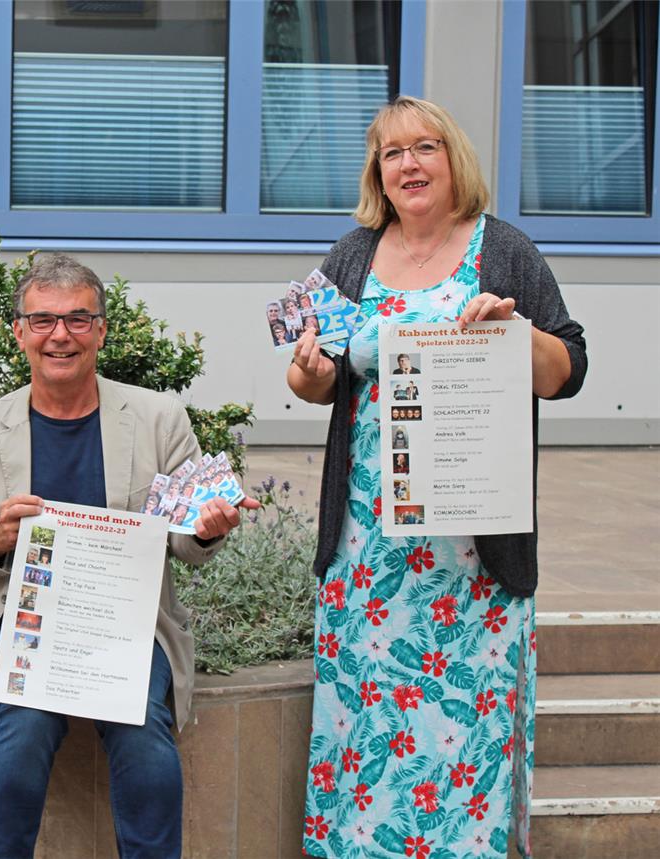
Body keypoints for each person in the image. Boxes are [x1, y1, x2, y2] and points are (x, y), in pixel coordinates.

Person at [286, 96, 586, 859]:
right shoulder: (350, 257)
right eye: (393, 153)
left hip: (470, 561)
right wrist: (307, 372)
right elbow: (317, 382)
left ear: (455, 161)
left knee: (466, 740)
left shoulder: (505, 250)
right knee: (369, 730)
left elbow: (568, 370)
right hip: (366, 555)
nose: (409, 164)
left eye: (426, 148)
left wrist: (517, 335)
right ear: (378, 173)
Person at [0, 254, 258, 859]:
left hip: (125, 624)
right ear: (18, 331)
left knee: (139, 726)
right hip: (19, 622)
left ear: (102, 330)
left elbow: (186, 543)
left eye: (79, 319)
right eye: (43, 320)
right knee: (25, 720)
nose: (61, 336)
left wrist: (207, 529)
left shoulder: (158, 418)